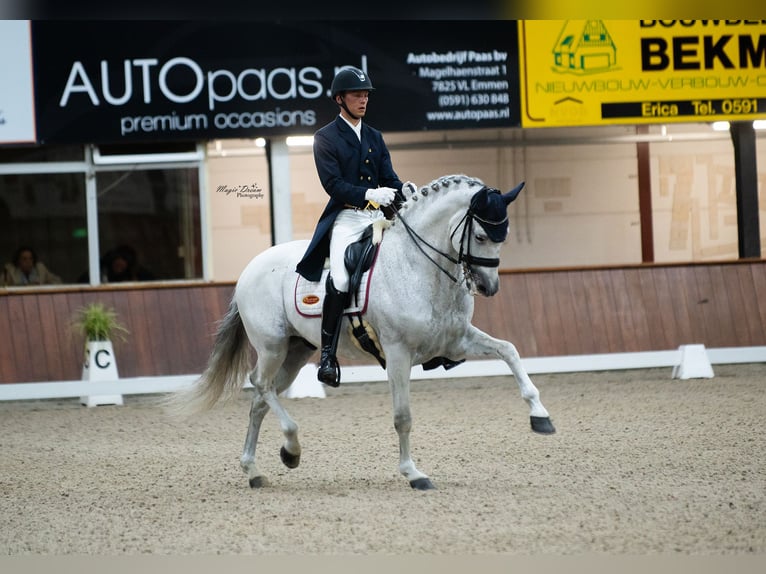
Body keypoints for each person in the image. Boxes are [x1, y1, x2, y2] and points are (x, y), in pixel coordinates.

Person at [296, 66, 414, 387]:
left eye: (365, 95)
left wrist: (404, 190)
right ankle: (328, 357)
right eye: (356, 95)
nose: (363, 100)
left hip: (378, 216)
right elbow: (332, 184)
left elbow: (389, 178)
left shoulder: (374, 136)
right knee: (341, 276)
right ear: (339, 99)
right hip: (347, 216)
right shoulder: (325, 138)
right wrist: (368, 193)